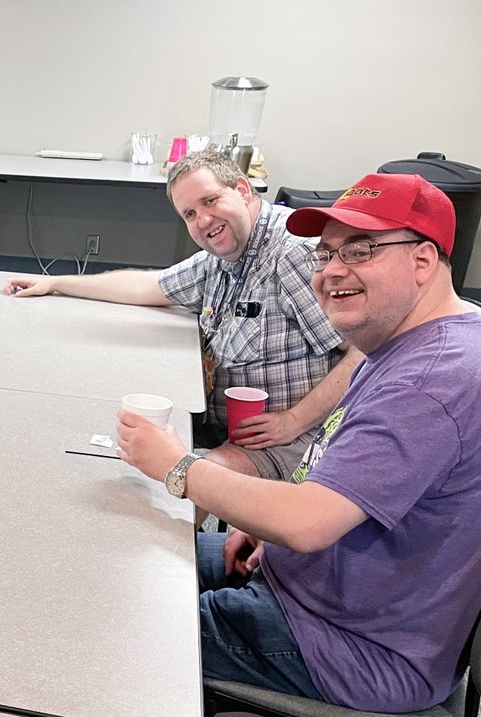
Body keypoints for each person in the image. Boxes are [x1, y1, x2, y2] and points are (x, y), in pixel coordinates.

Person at [117, 173, 481, 713]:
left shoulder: (429, 381)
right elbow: (336, 491)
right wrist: (270, 523)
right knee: (127, 554)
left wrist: (178, 466)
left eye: (360, 250)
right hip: (313, 585)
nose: (332, 270)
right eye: (326, 253)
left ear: (423, 261)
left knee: (118, 621)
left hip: (353, 646)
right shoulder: (413, 340)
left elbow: (309, 524)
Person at [5, 149, 362, 483]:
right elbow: (149, 286)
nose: (203, 220)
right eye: (190, 214)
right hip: (223, 424)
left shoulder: (292, 256)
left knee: (186, 479)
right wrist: (56, 283)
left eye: (210, 201)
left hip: (292, 438)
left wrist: (293, 421)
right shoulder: (223, 257)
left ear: (242, 190)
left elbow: (363, 356)